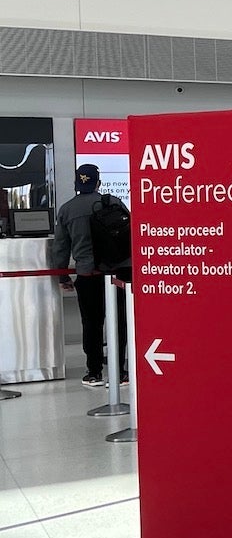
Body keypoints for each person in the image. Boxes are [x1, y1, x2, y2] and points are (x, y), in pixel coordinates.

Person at [51, 164, 130, 387]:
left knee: (92, 323)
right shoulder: (112, 202)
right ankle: (120, 372)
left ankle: (94, 372)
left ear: (77, 183)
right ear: (98, 183)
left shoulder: (67, 210)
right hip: (118, 273)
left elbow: (60, 248)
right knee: (120, 323)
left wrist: (63, 277)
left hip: (87, 275)